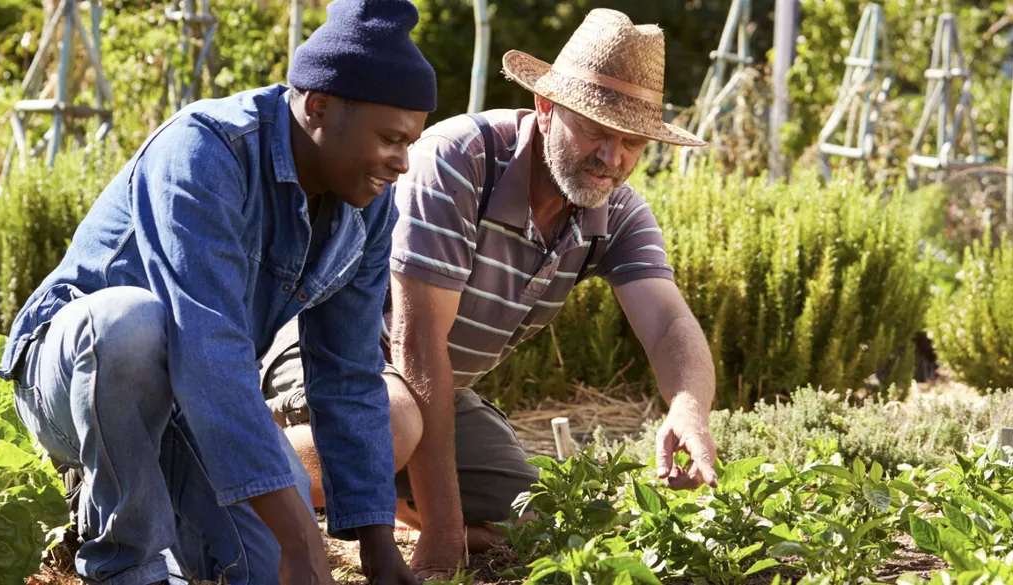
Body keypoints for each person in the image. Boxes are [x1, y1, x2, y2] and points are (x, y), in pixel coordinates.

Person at [262, 8, 722, 579]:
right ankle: (226, 486)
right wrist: (444, 537)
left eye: (631, 142)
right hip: (331, 360)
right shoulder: (460, 159)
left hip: (435, 391)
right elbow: (416, 344)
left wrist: (688, 406)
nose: (613, 158)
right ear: (547, 108)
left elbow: (669, 324)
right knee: (395, 422)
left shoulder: (614, 209)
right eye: (597, 131)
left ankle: (378, 499)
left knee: (542, 516)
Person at [0, 1, 434, 583]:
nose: (402, 163)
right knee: (133, 322)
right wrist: (302, 537)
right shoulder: (207, 150)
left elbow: (349, 375)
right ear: (320, 107)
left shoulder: (368, 210)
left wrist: (377, 546)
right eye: (389, 139)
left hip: (192, 402)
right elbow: (208, 344)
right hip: (76, 377)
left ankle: (163, 516)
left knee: (267, 566)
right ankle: (129, 564)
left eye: (411, 142)